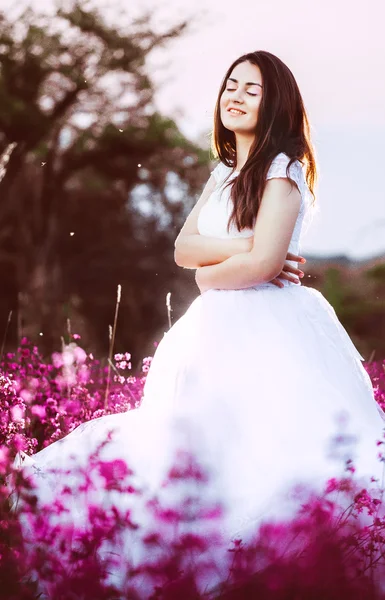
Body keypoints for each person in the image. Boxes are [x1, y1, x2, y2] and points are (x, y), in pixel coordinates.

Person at [15, 50, 385, 579]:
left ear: (275, 103)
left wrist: (211, 275)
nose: (234, 95)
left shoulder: (283, 171)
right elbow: (183, 247)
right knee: (192, 440)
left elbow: (260, 264)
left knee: (263, 447)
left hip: (272, 330)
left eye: (251, 89)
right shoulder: (224, 171)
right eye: (230, 85)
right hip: (215, 330)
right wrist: (238, 256)